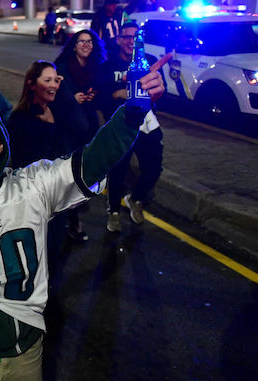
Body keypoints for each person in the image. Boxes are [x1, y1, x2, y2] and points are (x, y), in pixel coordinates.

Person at [0, 52, 166, 381]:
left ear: (0, 146)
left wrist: (132, 113)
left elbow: (92, 161)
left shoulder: (31, 186)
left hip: (26, 349)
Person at [7, 61, 90, 242]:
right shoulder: (21, 119)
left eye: (56, 80)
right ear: (32, 84)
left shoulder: (56, 110)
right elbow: (23, 164)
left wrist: (64, 86)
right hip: (36, 199)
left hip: (57, 195)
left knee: (55, 249)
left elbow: (82, 126)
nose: (54, 85)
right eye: (47, 80)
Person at [97, 22, 165, 232]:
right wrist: (118, 94)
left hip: (147, 123)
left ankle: (135, 199)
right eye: (126, 37)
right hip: (121, 125)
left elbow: (161, 93)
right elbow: (101, 97)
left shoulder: (149, 62)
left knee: (154, 167)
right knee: (118, 170)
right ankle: (114, 211)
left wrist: (155, 91)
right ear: (119, 40)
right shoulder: (109, 65)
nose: (130, 42)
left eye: (135, 38)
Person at [54, 29, 108, 142]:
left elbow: (101, 90)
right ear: (74, 46)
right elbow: (54, 96)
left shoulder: (97, 66)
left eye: (89, 41)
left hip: (89, 116)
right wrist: (72, 99)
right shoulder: (62, 67)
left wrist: (93, 95)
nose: (85, 45)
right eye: (81, 41)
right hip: (68, 119)